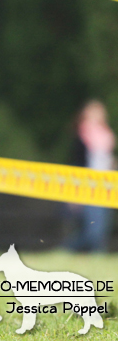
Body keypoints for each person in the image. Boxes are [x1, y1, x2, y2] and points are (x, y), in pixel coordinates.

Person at [64, 100, 115, 252]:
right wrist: (73, 194)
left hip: (106, 185)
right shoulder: (80, 137)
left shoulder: (105, 135)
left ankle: (97, 257)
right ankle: (65, 250)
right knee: (93, 231)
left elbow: (105, 161)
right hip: (88, 186)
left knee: (101, 230)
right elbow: (77, 166)